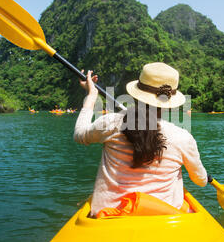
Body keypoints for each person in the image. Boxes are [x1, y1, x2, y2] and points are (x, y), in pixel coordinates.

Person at [74, 63, 208, 218]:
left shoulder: (110, 123)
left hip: (108, 216)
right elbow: (200, 181)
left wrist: (92, 94)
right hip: (162, 219)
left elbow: (79, 134)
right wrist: (204, 176)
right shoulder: (183, 137)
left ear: (136, 93)